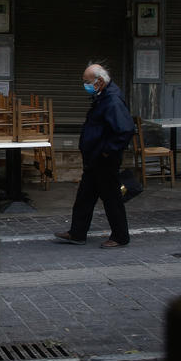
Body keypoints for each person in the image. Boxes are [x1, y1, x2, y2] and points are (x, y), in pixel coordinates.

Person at [54, 63, 135, 249]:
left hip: (104, 159)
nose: (85, 85)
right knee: (85, 196)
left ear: (99, 82)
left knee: (112, 198)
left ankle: (121, 236)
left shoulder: (112, 101)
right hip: (95, 158)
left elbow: (125, 130)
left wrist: (107, 151)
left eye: (87, 81)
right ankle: (77, 233)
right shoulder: (101, 97)